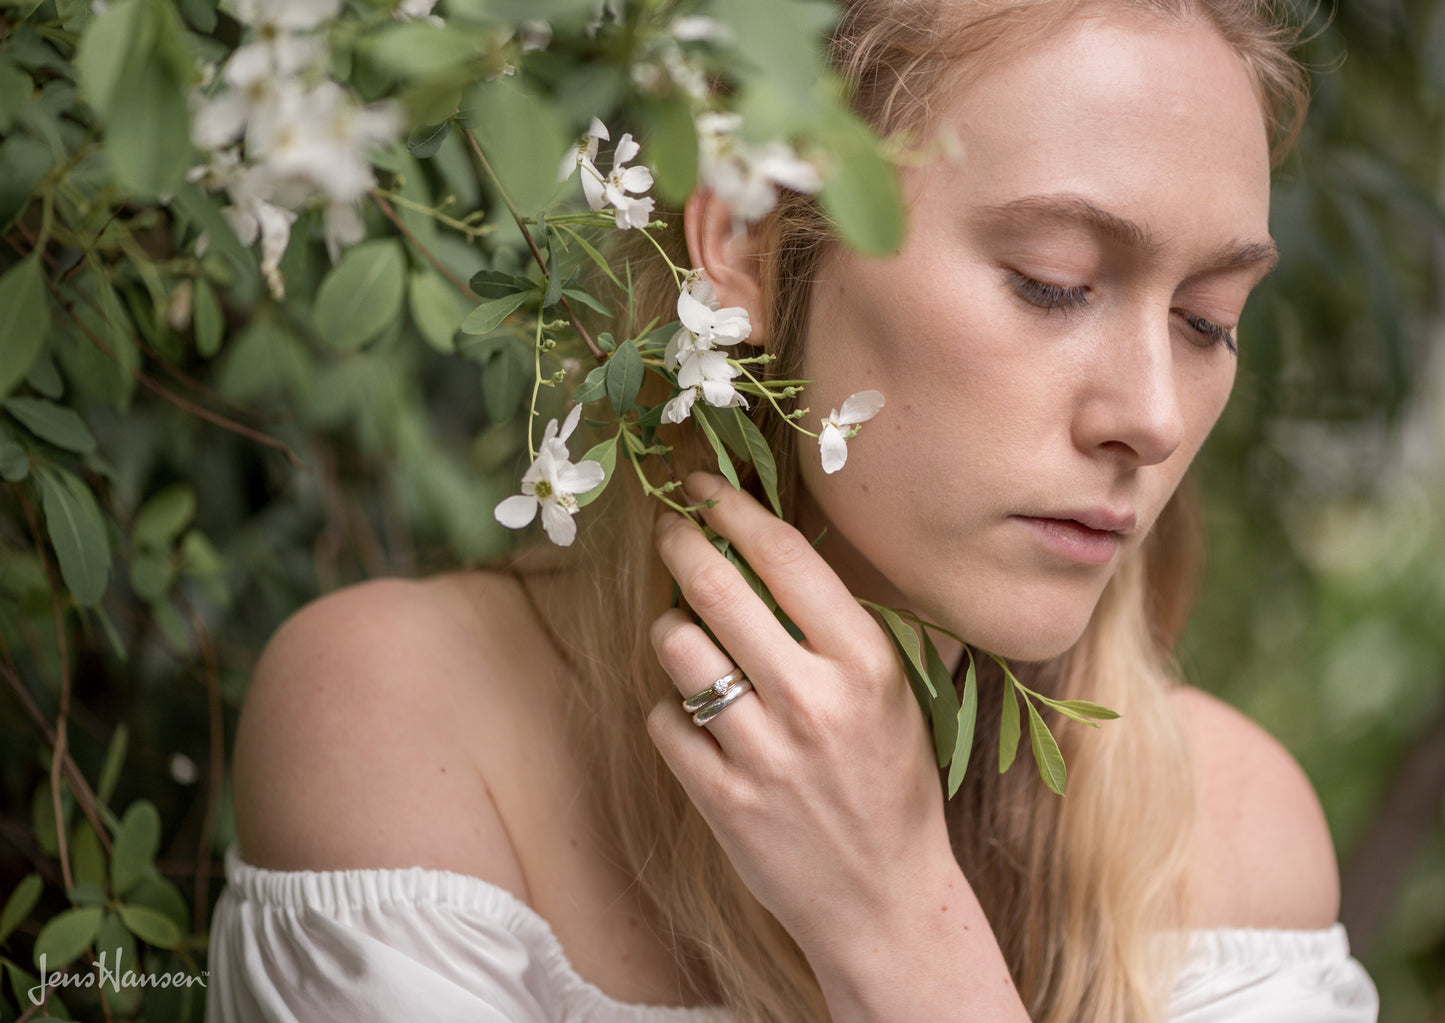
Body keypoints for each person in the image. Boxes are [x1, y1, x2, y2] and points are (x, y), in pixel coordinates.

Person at [206, 0, 1382, 1020]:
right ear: (748, 249)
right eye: (1053, 282)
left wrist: (895, 930)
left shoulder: (1224, 849)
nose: (1153, 415)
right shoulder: (415, 727)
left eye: (1206, 321)